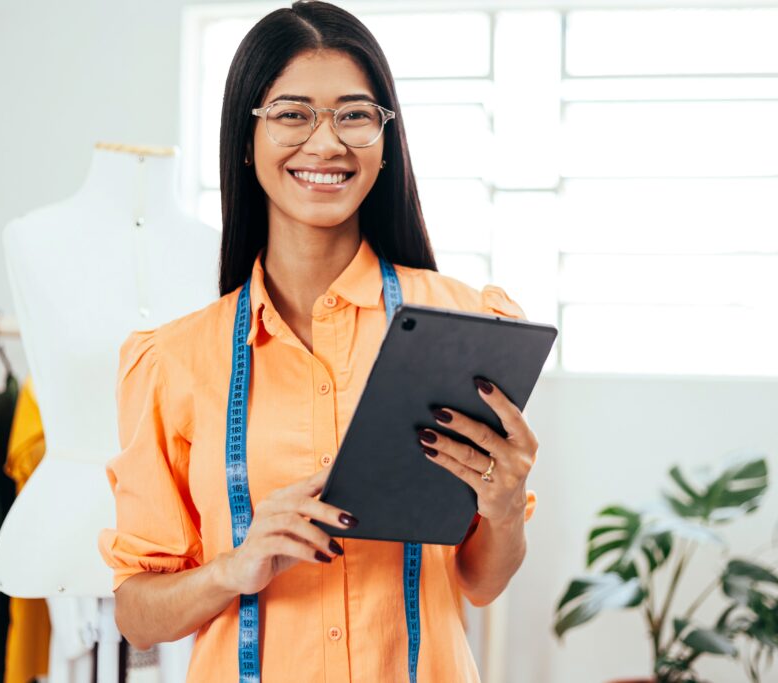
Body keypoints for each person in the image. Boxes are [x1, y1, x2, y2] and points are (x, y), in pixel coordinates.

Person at [98, 2, 539, 681]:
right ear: (247, 140)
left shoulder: (465, 327)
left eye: (354, 114)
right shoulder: (176, 361)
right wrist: (233, 569)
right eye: (292, 113)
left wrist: (504, 508)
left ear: (386, 139)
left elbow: (481, 581)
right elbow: (136, 610)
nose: (327, 143)